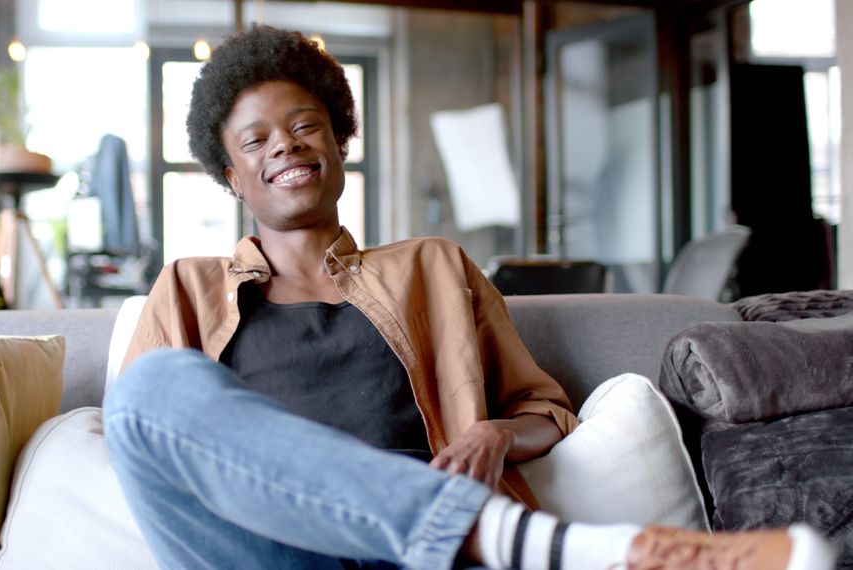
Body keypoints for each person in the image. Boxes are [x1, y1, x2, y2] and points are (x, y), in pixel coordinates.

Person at [103, 25, 835, 570]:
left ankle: (492, 534)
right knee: (148, 392)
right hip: (271, 554)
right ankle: (544, 547)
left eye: (304, 128)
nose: (285, 148)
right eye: (256, 141)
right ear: (230, 174)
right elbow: (148, 448)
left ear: (338, 143)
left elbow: (545, 410)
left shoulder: (433, 267)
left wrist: (493, 435)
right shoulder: (188, 287)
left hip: (425, 558)